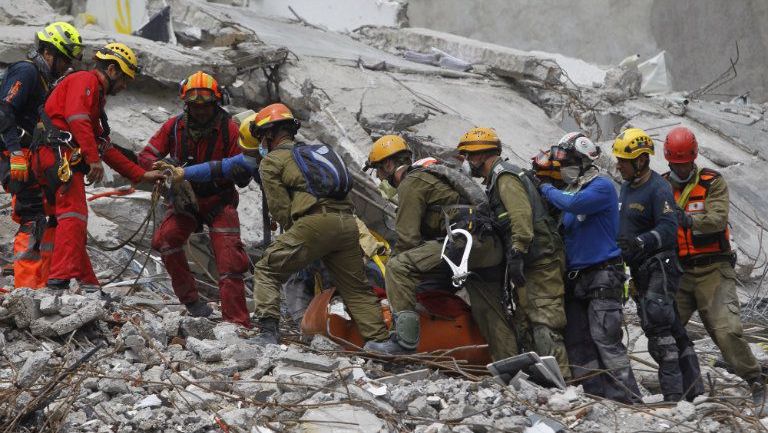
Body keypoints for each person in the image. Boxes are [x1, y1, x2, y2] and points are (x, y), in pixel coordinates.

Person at [362, 134, 518, 361]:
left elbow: (407, 240)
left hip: (462, 245)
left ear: (388, 164)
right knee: (489, 310)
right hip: (488, 245)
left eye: (379, 170)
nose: (378, 177)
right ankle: (511, 365)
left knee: (398, 267)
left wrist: (393, 283)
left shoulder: (410, 183)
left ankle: (403, 342)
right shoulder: (435, 175)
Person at [244, 103, 389, 345]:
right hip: (347, 223)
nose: (261, 143)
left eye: (261, 137)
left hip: (315, 223)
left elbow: (281, 210)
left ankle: (267, 334)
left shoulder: (271, 161)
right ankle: (381, 344)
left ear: (269, 133)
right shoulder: (313, 155)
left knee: (268, 268)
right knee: (356, 289)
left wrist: (296, 240)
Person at [32, 42, 165, 292]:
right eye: (125, 79)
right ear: (112, 70)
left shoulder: (93, 96)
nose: (125, 86)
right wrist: (92, 159)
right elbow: (77, 118)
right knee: (74, 216)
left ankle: (88, 284)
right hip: (58, 155)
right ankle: (58, 282)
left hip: (49, 158)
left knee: (68, 222)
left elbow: (105, 146)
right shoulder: (86, 81)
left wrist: (141, 174)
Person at [662, 126, 767, 413]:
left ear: (693, 158)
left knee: (727, 331)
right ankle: (679, 388)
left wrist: (684, 220)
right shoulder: (660, 187)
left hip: (713, 269)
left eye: (685, 163)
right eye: (675, 163)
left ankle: (756, 381)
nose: (680, 168)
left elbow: (716, 219)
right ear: (668, 160)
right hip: (679, 272)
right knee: (665, 331)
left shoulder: (712, 182)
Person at [138, 71, 250, 328]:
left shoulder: (230, 129)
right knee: (165, 240)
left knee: (230, 262)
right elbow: (146, 155)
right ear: (186, 104)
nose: (200, 111)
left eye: (205, 105)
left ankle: (237, 323)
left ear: (216, 103)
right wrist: (162, 165)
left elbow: (244, 170)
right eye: (194, 106)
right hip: (185, 201)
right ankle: (192, 301)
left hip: (219, 200)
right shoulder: (174, 127)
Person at [457, 127, 570, 378]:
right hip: (531, 260)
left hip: (540, 260)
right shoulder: (498, 179)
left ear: (480, 155)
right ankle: (544, 383)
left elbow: (521, 219)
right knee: (526, 323)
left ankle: (566, 384)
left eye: (468, 156)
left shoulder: (505, 177)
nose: (466, 162)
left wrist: (517, 252)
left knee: (544, 322)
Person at [539, 132, 640, 403]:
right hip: (576, 279)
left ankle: (628, 401)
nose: (563, 167)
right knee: (578, 343)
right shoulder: (572, 191)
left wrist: (544, 188)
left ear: (584, 160)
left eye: (569, 161)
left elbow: (574, 204)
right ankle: (598, 399)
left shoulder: (601, 187)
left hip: (602, 275)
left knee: (605, 339)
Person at [613, 127, 704, 402]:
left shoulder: (658, 188)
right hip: (641, 269)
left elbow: (668, 227)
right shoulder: (628, 187)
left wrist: (641, 242)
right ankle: (694, 390)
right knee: (674, 327)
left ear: (640, 160)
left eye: (622, 161)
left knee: (659, 330)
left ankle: (673, 396)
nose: (618, 166)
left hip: (660, 267)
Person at [0, 22, 83, 288]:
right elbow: (3, 112)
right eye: (64, 59)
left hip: (27, 154)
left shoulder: (46, 80)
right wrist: (14, 153)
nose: (67, 65)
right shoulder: (27, 71)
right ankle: (26, 288)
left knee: (50, 214)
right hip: (10, 152)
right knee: (32, 214)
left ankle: (45, 283)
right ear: (49, 53)